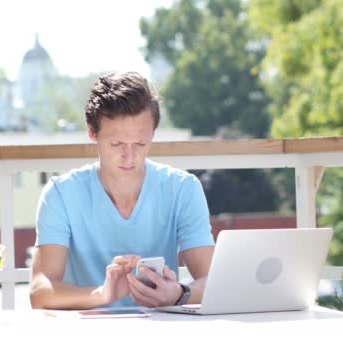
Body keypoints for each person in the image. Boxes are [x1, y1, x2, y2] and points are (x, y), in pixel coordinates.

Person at [29, 71, 215, 309]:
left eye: (140, 143)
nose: (129, 156)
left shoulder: (183, 189)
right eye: (116, 144)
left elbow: (212, 280)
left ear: (153, 135)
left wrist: (179, 293)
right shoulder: (60, 194)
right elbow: (40, 290)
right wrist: (101, 295)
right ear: (92, 133)